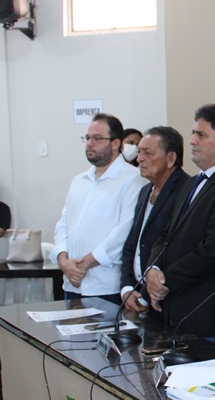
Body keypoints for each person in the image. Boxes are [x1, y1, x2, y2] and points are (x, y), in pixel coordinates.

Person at [145, 104, 215, 338]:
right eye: (193, 133)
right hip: (172, 310)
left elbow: (214, 251)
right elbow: (166, 235)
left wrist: (165, 281)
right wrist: (153, 269)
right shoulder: (190, 183)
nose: (192, 140)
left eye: (201, 135)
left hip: (202, 314)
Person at [51, 114, 145, 303]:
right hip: (72, 282)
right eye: (87, 138)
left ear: (115, 143)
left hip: (106, 286)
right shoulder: (79, 181)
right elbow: (63, 225)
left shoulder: (133, 179)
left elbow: (123, 233)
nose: (89, 144)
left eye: (96, 138)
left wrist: (84, 265)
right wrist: (64, 262)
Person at [119, 126, 190, 315]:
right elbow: (132, 243)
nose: (139, 159)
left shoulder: (186, 191)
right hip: (136, 295)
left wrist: (144, 295)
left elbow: (176, 249)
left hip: (165, 300)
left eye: (147, 153)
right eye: (139, 152)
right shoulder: (145, 191)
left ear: (171, 158)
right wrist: (127, 287)